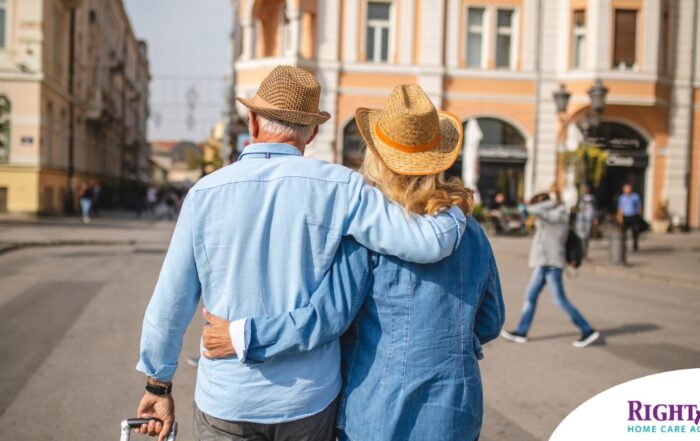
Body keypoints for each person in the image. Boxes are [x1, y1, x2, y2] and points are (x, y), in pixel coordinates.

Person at [134, 67, 467, 441]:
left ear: (252, 122)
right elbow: (427, 243)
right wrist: (454, 206)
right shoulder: (341, 187)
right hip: (307, 399)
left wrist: (157, 386)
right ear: (312, 132)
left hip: (227, 398)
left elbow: (169, 305)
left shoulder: (204, 193)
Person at [200, 84, 504, 441]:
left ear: (377, 156)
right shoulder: (471, 232)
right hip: (457, 410)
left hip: (379, 408)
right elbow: (490, 321)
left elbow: (326, 319)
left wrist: (242, 336)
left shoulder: (369, 234)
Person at [501, 188, 600, 348]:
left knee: (559, 300)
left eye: (538, 202)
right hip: (544, 263)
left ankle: (587, 330)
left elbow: (531, 210)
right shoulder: (551, 215)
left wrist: (546, 202)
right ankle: (522, 332)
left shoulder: (557, 216)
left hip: (552, 264)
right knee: (530, 296)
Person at [617, 183, 642, 251]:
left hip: (633, 215)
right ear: (624, 190)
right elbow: (620, 208)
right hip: (625, 216)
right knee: (623, 232)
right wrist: (620, 217)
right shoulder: (622, 197)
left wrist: (639, 216)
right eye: (626, 188)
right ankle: (623, 245)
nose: (627, 190)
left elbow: (639, 207)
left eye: (628, 188)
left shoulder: (635, 196)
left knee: (635, 231)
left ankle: (635, 244)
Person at [576, 185, 597, 257]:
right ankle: (580, 251)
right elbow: (577, 207)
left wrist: (595, 218)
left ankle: (585, 250)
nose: (585, 190)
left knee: (587, 235)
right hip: (580, 219)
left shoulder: (592, 198)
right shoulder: (580, 198)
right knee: (580, 235)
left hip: (588, 218)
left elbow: (595, 208)